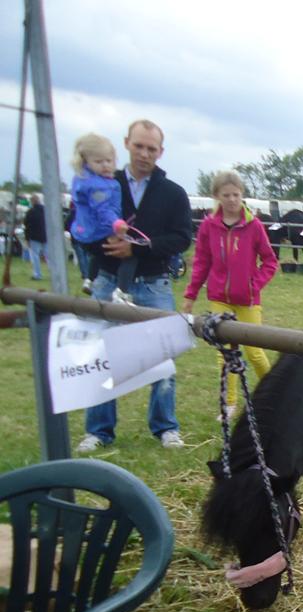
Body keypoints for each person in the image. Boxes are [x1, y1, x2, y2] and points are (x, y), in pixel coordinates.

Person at [77, 119, 193, 453]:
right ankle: (98, 430)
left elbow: (182, 237)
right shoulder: (102, 184)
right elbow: (82, 225)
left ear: (161, 151)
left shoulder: (172, 193)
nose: (144, 154)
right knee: (100, 356)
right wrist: (103, 245)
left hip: (153, 282)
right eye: (139, 146)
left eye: (151, 148)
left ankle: (165, 427)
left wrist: (139, 247)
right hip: (108, 280)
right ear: (127, 143)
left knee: (162, 357)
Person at [181, 170, 278, 421]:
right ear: (216, 196)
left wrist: (253, 285)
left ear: (242, 195)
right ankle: (229, 404)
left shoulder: (254, 226)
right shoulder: (208, 227)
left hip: (247, 300)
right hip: (219, 298)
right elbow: (202, 262)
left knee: (255, 351)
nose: (232, 200)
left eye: (236, 194)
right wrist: (190, 295)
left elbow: (270, 261)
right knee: (224, 352)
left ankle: (275, 393)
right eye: (226, 195)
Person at [68, 132, 136, 293]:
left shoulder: (81, 179)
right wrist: (116, 223)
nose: (105, 165)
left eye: (109, 161)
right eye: (99, 162)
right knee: (129, 254)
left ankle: (89, 280)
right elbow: (103, 209)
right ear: (86, 161)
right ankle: (122, 291)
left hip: (83, 232)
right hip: (99, 230)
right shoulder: (99, 186)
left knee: (99, 254)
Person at [22, 194, 46, 281]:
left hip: (34, 237)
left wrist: (27, 238)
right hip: (45, 236)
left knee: (35, 256)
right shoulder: (45, 211)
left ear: (32, 202)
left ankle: (38, 274)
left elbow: (26, 226)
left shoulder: (30, 212)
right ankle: (56, 273)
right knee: (50, 256)